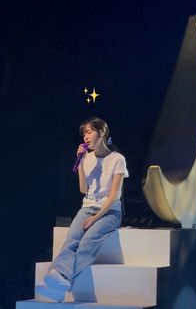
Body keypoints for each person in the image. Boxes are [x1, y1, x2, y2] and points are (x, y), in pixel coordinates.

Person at [35, 117, 129, 302]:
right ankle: (58, 282)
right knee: (72, 239)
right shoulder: (87, 157)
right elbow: (83, 190)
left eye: (89, 132)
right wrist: (80, 162)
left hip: (109, 212)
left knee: (87, 242)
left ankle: (61, 279)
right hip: (87, 207)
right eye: (84, 133)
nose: (86, 137)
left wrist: (95, 219)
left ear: (101, 132)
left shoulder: (118, 159)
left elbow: (114, 196)